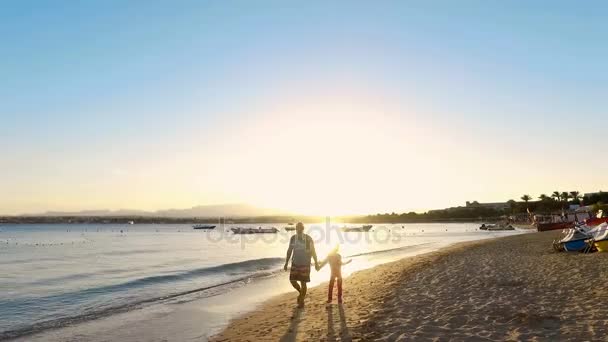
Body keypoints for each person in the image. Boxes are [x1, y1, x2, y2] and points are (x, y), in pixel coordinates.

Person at [284, 222, 319, 307]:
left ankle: (301, 300)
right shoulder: (293, 238)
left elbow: (313, 251)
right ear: (296, 229)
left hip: (305, 264)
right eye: (297, 228)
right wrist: (286, 262)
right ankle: (301, 293)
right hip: (295, 263)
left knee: (303, 283)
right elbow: (289, 251)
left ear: (303, 229)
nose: (298, 230)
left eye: (300, 228)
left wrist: (316, 263)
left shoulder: (307, 239)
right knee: (292, 281)